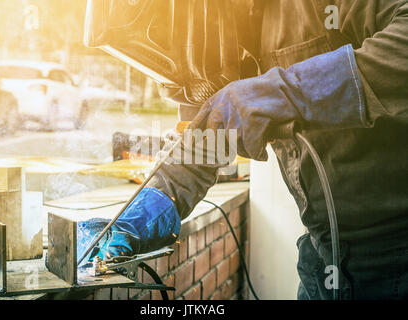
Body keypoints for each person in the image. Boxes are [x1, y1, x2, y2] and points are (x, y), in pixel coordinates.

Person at [79, 0, 408, 299]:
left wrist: (285, 93)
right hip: (321, 257)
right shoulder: (213, 25)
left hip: (395, 253)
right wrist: (148, 209)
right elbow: (205, 144)